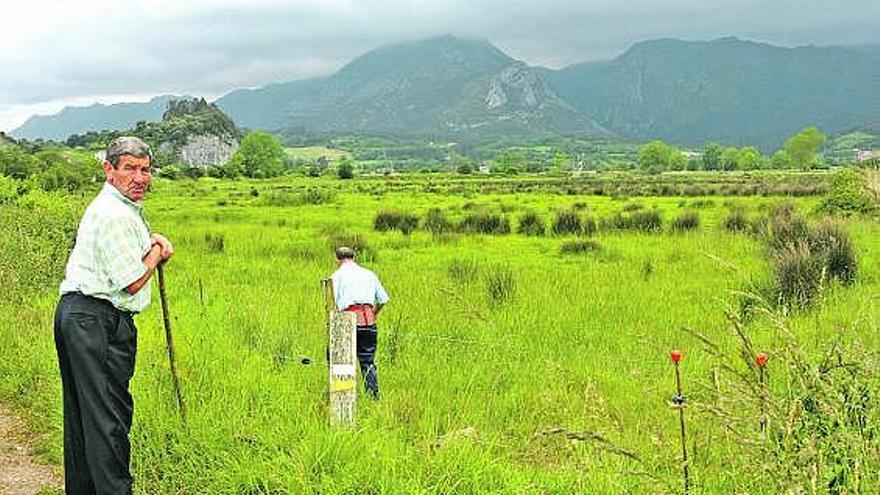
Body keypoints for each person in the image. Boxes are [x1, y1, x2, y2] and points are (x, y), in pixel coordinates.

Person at [54, 136, 173, 494]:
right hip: (96, 320)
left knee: (86, 418)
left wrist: (148, 243)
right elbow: (132, 281)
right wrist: (158, 250)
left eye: (145, 170)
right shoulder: (113, 213)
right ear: (109, 169)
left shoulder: (118, 209)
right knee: (109, 420)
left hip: (80, 317)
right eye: (129, 169)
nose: (139, 177)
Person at [331, 246, 389, 399]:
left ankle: (343, 399)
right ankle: (373, 398)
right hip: (368, 321)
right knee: (368, 362)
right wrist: (374, 314)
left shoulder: (336, 276)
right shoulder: (369, 274)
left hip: (347, 322)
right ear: (354, 257)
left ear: (337, 260)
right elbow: (383, 299)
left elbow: (333, 304)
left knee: (342, 363)